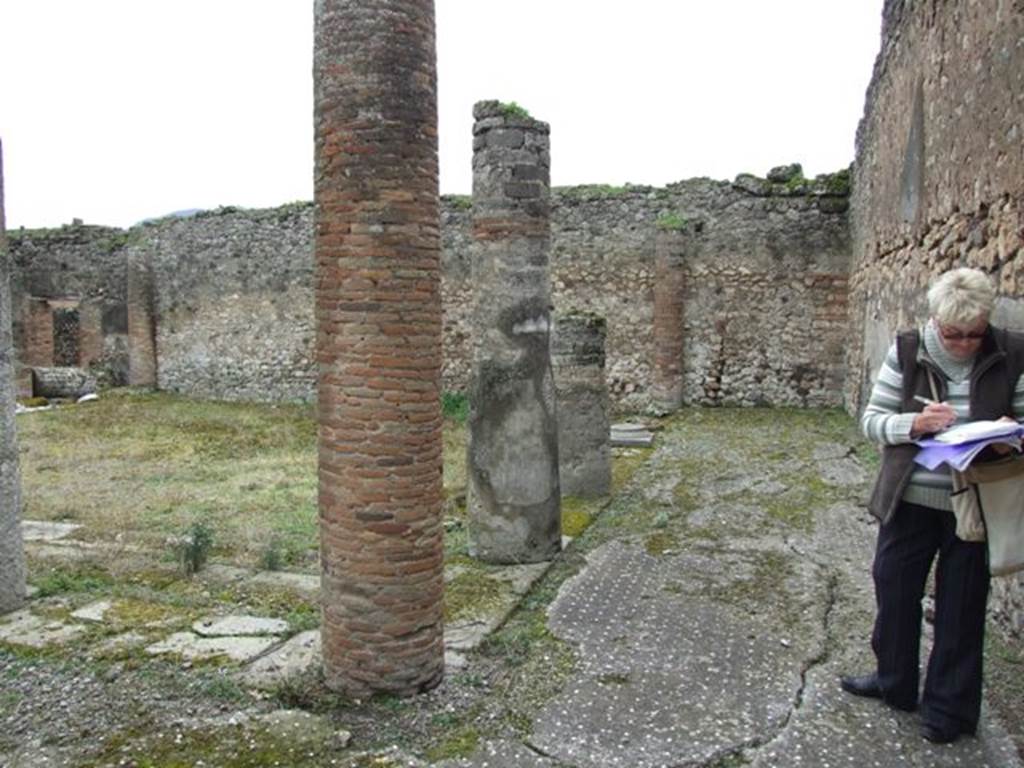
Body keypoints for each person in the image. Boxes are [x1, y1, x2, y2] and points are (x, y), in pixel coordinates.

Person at [841, 267, 1024, 744]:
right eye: (953, 334)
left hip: (974, 504)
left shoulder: (1013, 352)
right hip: (911, 497)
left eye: (974, 335)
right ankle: (894, 682)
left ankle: (949, 711)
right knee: (895, 590)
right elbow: (873, 422)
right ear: (936, 321)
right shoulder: (908, 351)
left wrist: (1008, 439)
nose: (964, 343)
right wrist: (915, 424)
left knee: (962, 606)